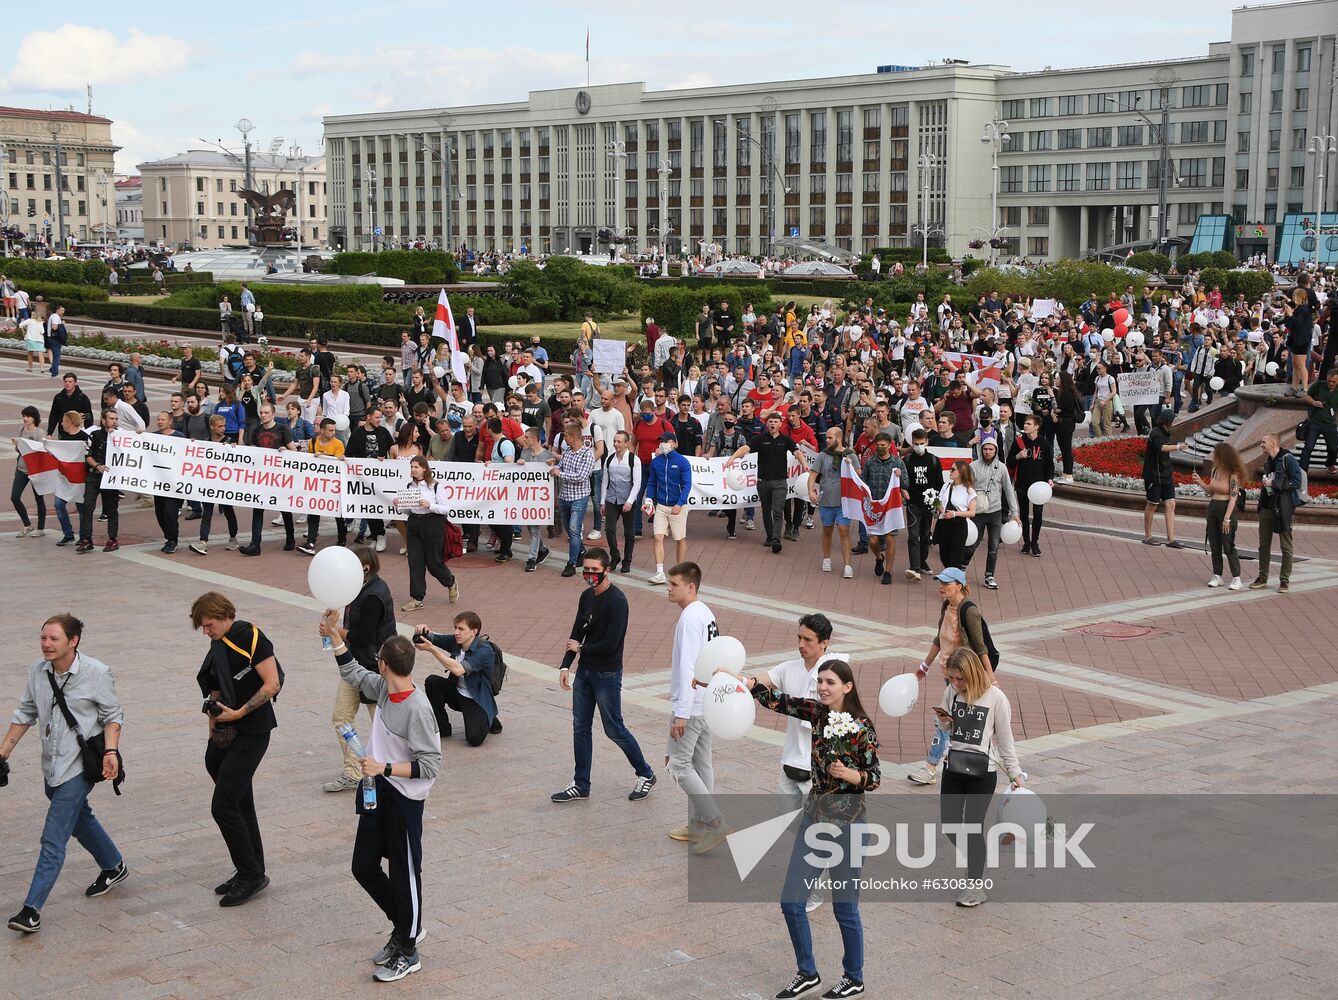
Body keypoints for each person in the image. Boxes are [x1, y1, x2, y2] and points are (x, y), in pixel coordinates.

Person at [744, 658, 879, 1000]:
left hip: (848, 826)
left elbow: (874, 776)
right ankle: (807, 973)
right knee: (791, 901)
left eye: (830, 682)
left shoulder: (862, 728)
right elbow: (779, 701)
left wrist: (852, 776)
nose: (822, 687)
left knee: (844, 908)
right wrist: (745, 683)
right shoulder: (816, 713)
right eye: (820, 681)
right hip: (814, 820)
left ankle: (854, 978)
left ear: (847, 686)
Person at [320, 620, 439, 983]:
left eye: (378, 659)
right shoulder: (385, 690)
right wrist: (334, 635)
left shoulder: (418, 709)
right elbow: (353, 673)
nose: (374, 663)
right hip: (379, 791)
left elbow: (430, 765)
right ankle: (403, 927)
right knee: (363, 866)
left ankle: (409, 950)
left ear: (385, 664)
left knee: (404, 875)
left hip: (403, 800)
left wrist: (383, 767)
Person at [3, 614, 126, 935]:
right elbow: (26, 712)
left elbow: (113, 715)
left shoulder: (96, 672)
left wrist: (111, 752)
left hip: (79, 767)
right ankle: (114, 865)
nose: (46, 644)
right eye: (43, 638)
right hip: (52, 765)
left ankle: (31, 910)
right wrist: (3, 753)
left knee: (53, 837)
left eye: (54, 639)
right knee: (79, 817)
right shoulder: (37, 671)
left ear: (73, 641)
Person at [190, 592, 280, 908]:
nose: (206, 632)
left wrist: (239, 713)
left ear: (224, 616)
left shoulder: (251, 637)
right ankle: (251, 868)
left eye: (209, 625)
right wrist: (213, 724)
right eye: (203, 627)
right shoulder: (219, 643)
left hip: (253, 731)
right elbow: (215, 685)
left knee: (224, 806)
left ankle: (251, 875)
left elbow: (272, 684)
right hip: (228, 730)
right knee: (240, 802)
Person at [551, 548, 657, 803]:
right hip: (584, 672)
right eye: (586, 569)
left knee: (614, 728)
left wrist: (581, 649)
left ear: (607, 570)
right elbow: (577, 631)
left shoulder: (617, 601)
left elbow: (611, 644)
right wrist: (566, 666)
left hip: (606, 673)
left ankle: (645, 773)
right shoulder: (586, 596)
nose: (589, 574)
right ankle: (581, 784)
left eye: (595, 570)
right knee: (580, 727)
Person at [935, 647, 1023, 908]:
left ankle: (975, 884)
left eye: (960, 678)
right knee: (950, 826)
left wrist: (1015, 773)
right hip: (953, 767)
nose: (955, 683)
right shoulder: (952, 692)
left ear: (972, 673)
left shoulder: (996, 698)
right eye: (951, 678)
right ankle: (977, 858)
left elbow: (1005, 740)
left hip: (983, 772)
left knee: (973, 826)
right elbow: (947, 727)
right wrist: (944, 720)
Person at [907, 568, 997, 786]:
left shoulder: (969, 611)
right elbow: (940, 638)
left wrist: (990, 677)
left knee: (944, 719)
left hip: (966, 678)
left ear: (959, 585)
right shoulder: (947, 606)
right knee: (954, 721)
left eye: (946, 583)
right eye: (940, 582)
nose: (941, 586)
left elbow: (980, 647)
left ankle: (931, 768)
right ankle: (960, 763)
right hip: (951, 676)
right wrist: (925, 665)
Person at [320, 545, 396, 791]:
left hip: (375, 668)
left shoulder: (374, 595)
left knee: (382, 724)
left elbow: (365, 635)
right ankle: (353, 772)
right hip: (355, 665)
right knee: (341, 717)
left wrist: (336, 631)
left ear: (365, 568)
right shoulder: (357, 588)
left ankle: (391, 772)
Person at [664, 563, 727, 854]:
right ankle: (699, 825)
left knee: (678, 765)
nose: (668, 588)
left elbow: (688, 667)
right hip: (706, 701)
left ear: (691, 587)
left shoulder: (690, 618)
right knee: (702, 764)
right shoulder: (704, 612)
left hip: (693, 705)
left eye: (674, 584)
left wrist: (681, 713)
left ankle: (715, 822)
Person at [417, 611, 501, 747]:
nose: (456, 632)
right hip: (457, 693)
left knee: (474, 739)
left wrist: (432, 649)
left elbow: (458, 670)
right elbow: (434, 638)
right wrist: (423, 632)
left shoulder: (485, 651)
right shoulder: (456, 641)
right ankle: (442, 728)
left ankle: (489, 716)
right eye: (455, 628)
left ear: (474, 631)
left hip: (476, 699)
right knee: (432, 682)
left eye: (461, 629)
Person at [728, 412, 808, 555]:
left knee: (777, 511)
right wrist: (733, 457)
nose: (772, 424)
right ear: (767, 423)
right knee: (766, 511)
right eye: (770, 421)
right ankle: (770, 536)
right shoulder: (760, 439)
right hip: (763, 482)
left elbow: (797, 452)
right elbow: (746, 448)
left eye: (775, 422)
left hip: (780, 482)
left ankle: (776, 540)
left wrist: (804, 464)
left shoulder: (785, 440)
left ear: (780, 424)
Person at [397, 455, 461, 611]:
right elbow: (408, 511)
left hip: (433, 524)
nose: (413, 470)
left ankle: (450, 582)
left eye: (416, 467)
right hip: (414, 524)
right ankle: (417, 598)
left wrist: (430, 505)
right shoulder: (410, 486)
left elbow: (446, 509)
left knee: (434, 563)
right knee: (415, 562)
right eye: (411, 467)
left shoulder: (435, 486)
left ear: (424, 468)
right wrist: (400, 505)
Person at [239, 403, 296, 556]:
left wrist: (286, 451)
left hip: (279, 477)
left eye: (266, 413)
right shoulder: (256, 430)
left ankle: (290, 538)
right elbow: (252, 451)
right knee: (257, 509)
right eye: (261, 412)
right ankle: (255, 544)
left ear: (273, 414)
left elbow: (294, 451)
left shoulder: (282, 429)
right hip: (262, 477)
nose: (263, 415)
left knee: (284, 508)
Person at [1251, 432, 1303, 594]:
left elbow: (1297, 482)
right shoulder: (1268, 461)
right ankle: (1262, 577)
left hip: (1283, 507)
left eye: (1263, 442)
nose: (1261, 445)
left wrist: (1273, 483)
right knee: (1263, 544)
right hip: (1267, 506)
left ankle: (1284, 581)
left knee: (1285, 545)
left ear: (1273, 443)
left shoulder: (1288, 459)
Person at [1191, 443, 1246, 591]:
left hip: (1226, 508)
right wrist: (1200, 481)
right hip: (1213, 507)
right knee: (1214, 543)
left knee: (1228, 543)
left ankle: (1236, 577)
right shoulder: (1215, 470)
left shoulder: (1233, 473)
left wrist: (1227, 518)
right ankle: (1217, 574)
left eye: (1215, 453)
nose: (1213, 456)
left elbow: (1233, 496)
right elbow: (1211, 490)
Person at [967, 440, 1019, 591]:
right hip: (978, 511)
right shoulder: (973, 466)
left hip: (995, 511)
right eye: (985, 449)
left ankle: (989, 575)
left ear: (996, 450)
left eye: (991, 449)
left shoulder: (1001, 467)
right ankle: (962, 566)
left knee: (994, 545)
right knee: (973, 543)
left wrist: (1015, 513)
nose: (988, 452)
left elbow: (1009, 490)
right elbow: (967, 488)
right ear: (981, 449)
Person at [645, 430, 693, 584]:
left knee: (679, 539)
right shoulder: (656, 462)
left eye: (666, 441)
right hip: (661, 505)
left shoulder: (682, 462)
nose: (663, 444)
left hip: (677, 506)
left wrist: (680, 503)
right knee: (658, 537)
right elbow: (652, 482)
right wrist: (649, 500)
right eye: (661, 441)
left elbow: (687, 484)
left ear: (673, 443)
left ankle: (680, 571)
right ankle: (660, 572)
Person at [551, 422, 597, 577]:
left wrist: (560, 474)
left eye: (566, 436)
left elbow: (581, 477)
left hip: (579, 497)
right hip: (564, 496)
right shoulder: (567, 453)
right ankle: (581, 551)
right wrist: (555, 467)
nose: (564, 439)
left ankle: (571, 563)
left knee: (573, 529)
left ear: (574, 437)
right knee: (570, 530)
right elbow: (561, 466)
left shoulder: (587, 454)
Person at [808, 426, 854, 578]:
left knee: (844, 530)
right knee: (827, 530)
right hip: (826, 501)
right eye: (826, 437)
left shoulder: (850, 455)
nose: (826, 440)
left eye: (830, 438)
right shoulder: (822, 455)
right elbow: (813, 475)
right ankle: (826, 558)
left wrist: (851, 466)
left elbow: (859, 475)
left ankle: (847, 565)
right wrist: (810, 491)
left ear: (838, 439)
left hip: (844, 502)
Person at [862, 432, 906, 585]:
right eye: (878, 445)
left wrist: (900, 475)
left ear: (889, 445)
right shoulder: (870, 462)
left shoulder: (898, 463)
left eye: (883, 445)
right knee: (873, 540)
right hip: (874, 507)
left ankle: (888, 571)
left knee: (889, 538)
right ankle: (879, 557)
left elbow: (906, 483)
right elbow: (863, 480)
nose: (880, 447)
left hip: (891, 507)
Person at [1007, 414, 1054, 557]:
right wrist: (1018, 457)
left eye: (1029, 424)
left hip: (1039, 488)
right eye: (1025, 423)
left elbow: (1049, 465)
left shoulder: (1044, 444)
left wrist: (1050, 479)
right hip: (1022, 484)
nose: (1025, 426)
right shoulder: (1019, 442)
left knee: (1038, 514)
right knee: (1024, 514)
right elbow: (1009, 461)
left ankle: (1035, 542)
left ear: (1036, 427)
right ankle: (1026, 542)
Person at [76, 408, 121, 554]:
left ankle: (112, 539)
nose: (114, 422)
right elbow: (87, 455)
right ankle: (87, 539)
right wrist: (97, 465)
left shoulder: (122, 437)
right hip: (94, 476)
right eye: (111, 419)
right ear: (103, 420)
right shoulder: (95, 435)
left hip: (111, 478)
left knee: (111, 509)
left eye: (116, 419)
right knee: (87, 506)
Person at [1141, 408, 1185, 548]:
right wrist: (1178, 447)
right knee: (1152, 505)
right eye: (1172, 421)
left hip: (1166, 474)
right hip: (1154, 475)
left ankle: (1171, 539)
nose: (1173, 423)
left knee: (1171, 504)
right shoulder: (1156, 433)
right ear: (1168, 422)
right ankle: (1148, 536)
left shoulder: (1165, 431)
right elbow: (1161, 448)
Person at [601, 429, 641, 573]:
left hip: (627, 499)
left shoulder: (634, 460)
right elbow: (605, 482)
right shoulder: (609, 459)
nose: (616, 444)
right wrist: (602, 502)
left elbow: (637, 483)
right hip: (612, 499)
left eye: (619, 441)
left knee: (629, 532)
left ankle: (627, 560)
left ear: (626, 443)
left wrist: (629, 501)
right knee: (609, 529)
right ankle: (615, 556)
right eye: (614, 441)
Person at [11, 405, 48, 537]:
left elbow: (40, 452)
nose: (25, 419)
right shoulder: (21, 430)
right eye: (24, 416)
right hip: (22, 468)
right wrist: (17, 444)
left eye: (28, 416)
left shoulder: (39, 433)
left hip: (35, 470)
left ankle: (41, 528)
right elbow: (19, 450)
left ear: (34, 418)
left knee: (39, 498)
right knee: (14, 497)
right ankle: (27, 525)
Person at [934, 460, 978, 571]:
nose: (950, 471)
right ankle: (953, 576)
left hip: (958, 526)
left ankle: (954, 578)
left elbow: (972, 512)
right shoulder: (946, 486)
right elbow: (939, 501)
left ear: (961, 472)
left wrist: (955, 513)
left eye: (953, 469)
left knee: (955, 558)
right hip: (944, 524)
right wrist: (939, 507)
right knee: (944, 556)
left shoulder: (969, 491)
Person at [1298, 367, 1338, 474]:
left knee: (1333, 449)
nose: (1331, 383)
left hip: (1330, 424)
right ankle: (1302, 471)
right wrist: (1313, 402)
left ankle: (1329, 464)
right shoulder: (1319, 385)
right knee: (1308, 447)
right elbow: (1306, 395)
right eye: (1329, 381)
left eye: (1333, 382)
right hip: (1315, 422)